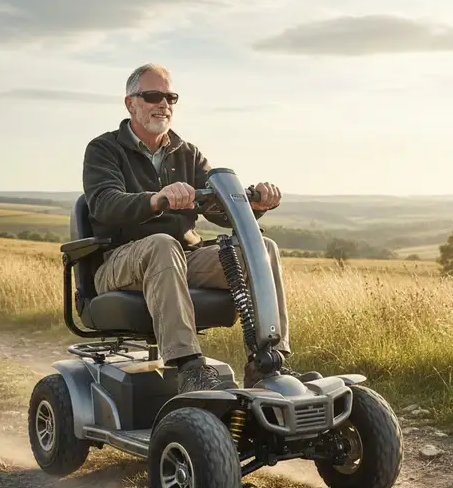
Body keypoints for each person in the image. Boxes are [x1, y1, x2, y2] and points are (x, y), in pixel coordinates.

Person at [82, 63, 314, 393]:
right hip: (121, 262)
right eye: (153, 96)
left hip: (182, 259)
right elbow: (105, 203)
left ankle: (267, 362)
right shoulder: (104, 150)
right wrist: (156, 199)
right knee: (162, 243)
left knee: (262, 248)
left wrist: (254, 206)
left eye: (170, 97)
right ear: (130, 103)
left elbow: (219, 211)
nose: (163, 104)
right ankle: (188, 365)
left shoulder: (187, 153)